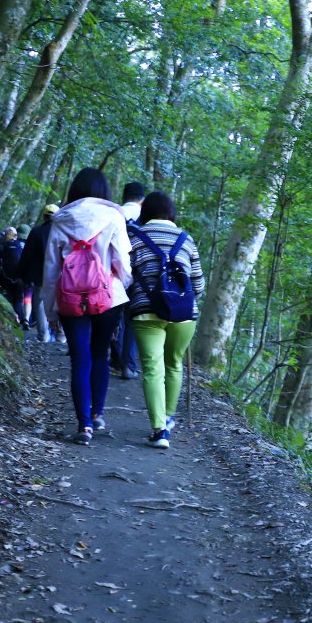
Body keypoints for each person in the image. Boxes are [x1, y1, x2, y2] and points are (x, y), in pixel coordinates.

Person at [42, 168, 132, 445]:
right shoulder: (114, 217)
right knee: (100, 353)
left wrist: (50, 310)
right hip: (108, 297)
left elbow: (51, 269)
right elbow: (123, 262)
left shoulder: (60, 220)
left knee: (79, 359)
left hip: (70, 298)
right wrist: (121, 286)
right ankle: (97, 413)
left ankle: (84, 426)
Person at [129, 192, 205, 449]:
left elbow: (125, 276)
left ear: (145, 212)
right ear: (171, 213)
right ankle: (169, 416)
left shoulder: (134, 237)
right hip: (184, 314)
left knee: (152, 368)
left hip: (146, 311)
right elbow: (198, 284)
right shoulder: (186, 239)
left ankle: (160, 430)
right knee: (174, 364)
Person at [111, 182, 145, 379]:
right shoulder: (146, 218)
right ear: (142, 199)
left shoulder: (114, 214)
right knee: (130, 319)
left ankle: (115, 358)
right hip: (137, 274)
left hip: (112, 273)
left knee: (113, 316)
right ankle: (128, 365)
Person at [18, 204, 62, 343]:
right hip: (62, 274)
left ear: (44, 216)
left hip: (41, 275)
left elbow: (27, 256)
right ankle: (61, 336)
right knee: (62, 303)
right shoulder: (64, 232)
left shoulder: (36, 232)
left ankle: (44, 335)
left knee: (40, 302)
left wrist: (24, 275)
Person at [0, 226, 28, 329]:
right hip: (20, 277)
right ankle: (20, 319)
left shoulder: (2, 246)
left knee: (8, 297)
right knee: (18, 299)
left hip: (6, 277)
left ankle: (11, 319)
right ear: (15, 236)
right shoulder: (21, 246)